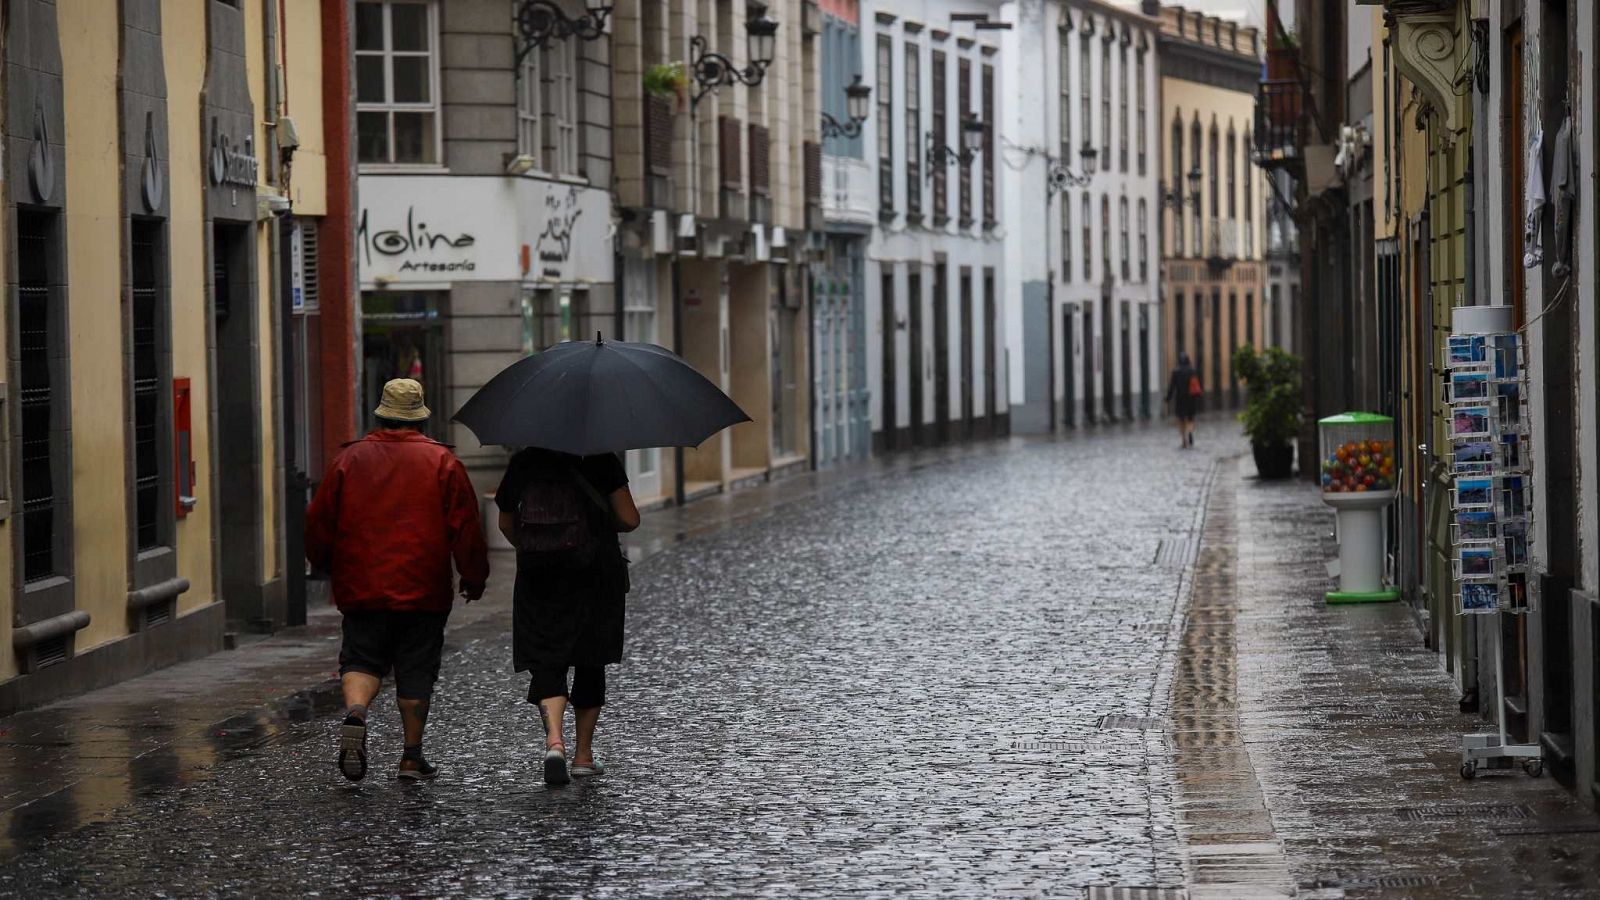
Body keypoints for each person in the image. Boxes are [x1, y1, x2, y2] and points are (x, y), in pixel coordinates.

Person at [305, 378, 489, 783]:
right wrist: (474, 577)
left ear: (381, 413)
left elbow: (319, 522)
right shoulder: (443, 462)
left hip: (361, 585)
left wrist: (323, 562)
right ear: (421, 417)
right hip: (423, 588)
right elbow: (466, 526)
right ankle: (411, 756)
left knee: (360, 657)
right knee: (417, 667)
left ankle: (356, 714)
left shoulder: (347, 461)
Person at [495, 448, 640, 786]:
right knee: (591, 660)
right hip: (594, 575)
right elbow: (629, 519)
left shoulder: (524, 460)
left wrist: (534, 545)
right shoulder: (600, 458)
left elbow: (505, 522)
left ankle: (554, 743)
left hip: (538, 577)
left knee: (547, 659)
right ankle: (583, 756)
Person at [1165, 353, 1201, 449]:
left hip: (1180, 399)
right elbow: (1196, 384)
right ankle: (1190, 431)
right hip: (1191, 398)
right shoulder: (1192, 371)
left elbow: (1172, 387)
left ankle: (1183, 441)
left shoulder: (1176, 372)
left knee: (1181, 419)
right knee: (1190, 418)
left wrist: (1168, 398)